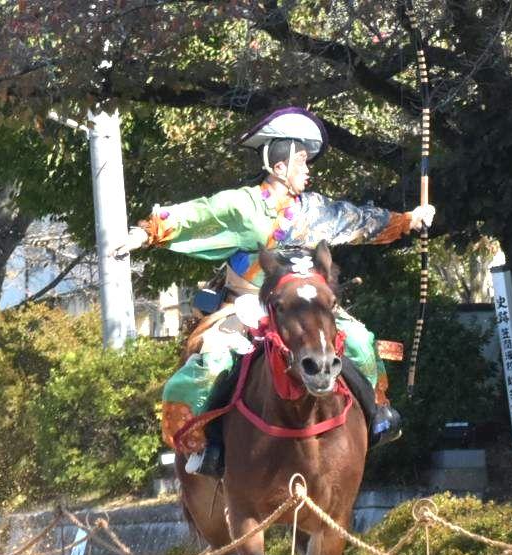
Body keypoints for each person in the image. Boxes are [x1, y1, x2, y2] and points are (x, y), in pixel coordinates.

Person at [118, 108, 435, 476]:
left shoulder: (315, 209)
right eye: (301, 162)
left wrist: (407, 220)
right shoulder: (242, 204)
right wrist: (146, 233)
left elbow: (358, 220)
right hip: (247, 305)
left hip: (307, 305)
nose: (308, 170)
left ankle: (376, 416)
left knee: (362, 342)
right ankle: (208, 443)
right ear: (280, 166)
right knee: (212, 361)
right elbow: (198, 213)